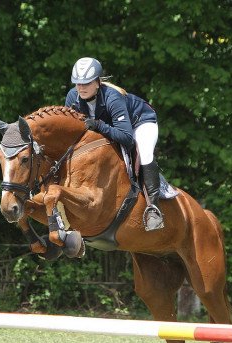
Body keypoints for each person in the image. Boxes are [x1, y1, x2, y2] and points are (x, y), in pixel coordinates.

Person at [65, 57, 164, 231]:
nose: (81, 87)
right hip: (115, 127)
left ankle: (153, 209)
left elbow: (126, 137)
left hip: (140, 121)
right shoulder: (72, 97)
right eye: (78, 83)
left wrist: (100, 126)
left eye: (86, 83)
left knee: (145, 151)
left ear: (97, 82)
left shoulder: (112, 97)